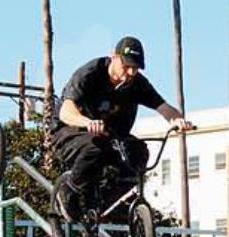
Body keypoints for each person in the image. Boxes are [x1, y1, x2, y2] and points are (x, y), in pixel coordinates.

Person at [48, 37, 194, 216]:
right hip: (68, 133)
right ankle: (69, 192)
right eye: (127, 66)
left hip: (109, 136)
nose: (131, 72)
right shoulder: (90, 74)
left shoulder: (137, 83)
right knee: (94, 148)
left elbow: (163, 107)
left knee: (138, 153)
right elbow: (66, 112)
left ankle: (105, 202)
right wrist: (87, 122)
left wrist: (178, 121)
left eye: (135, 68)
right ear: (114, 58)